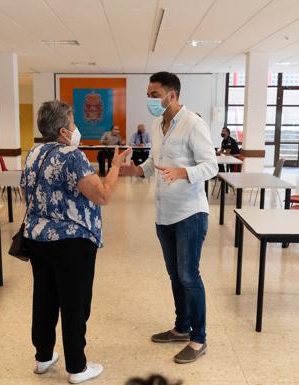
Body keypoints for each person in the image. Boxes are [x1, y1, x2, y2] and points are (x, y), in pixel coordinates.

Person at [20, 100, 131, 384]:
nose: (75, 127)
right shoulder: (72, 156)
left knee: (44, 297)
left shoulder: (33, 153)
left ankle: (43, 357)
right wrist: (116, 165)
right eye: (72, 123)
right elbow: (103, 195)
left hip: (37, 238)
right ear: (62, 131)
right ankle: (77, 367)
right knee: (74, 302)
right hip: (71, 242)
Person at [120, 72, 217, 364]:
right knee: (175, 275)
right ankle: (181, 328)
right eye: (148, 94)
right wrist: (134, 171)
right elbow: (153, 162)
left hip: (190, 214)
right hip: (164, 214)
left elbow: (210, 165)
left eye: (154, 94)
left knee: (189, 276)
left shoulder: (193, 124)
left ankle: (198, 339)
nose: (150, 99)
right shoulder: (156, 124)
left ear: (171, 95)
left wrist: (183, 172)